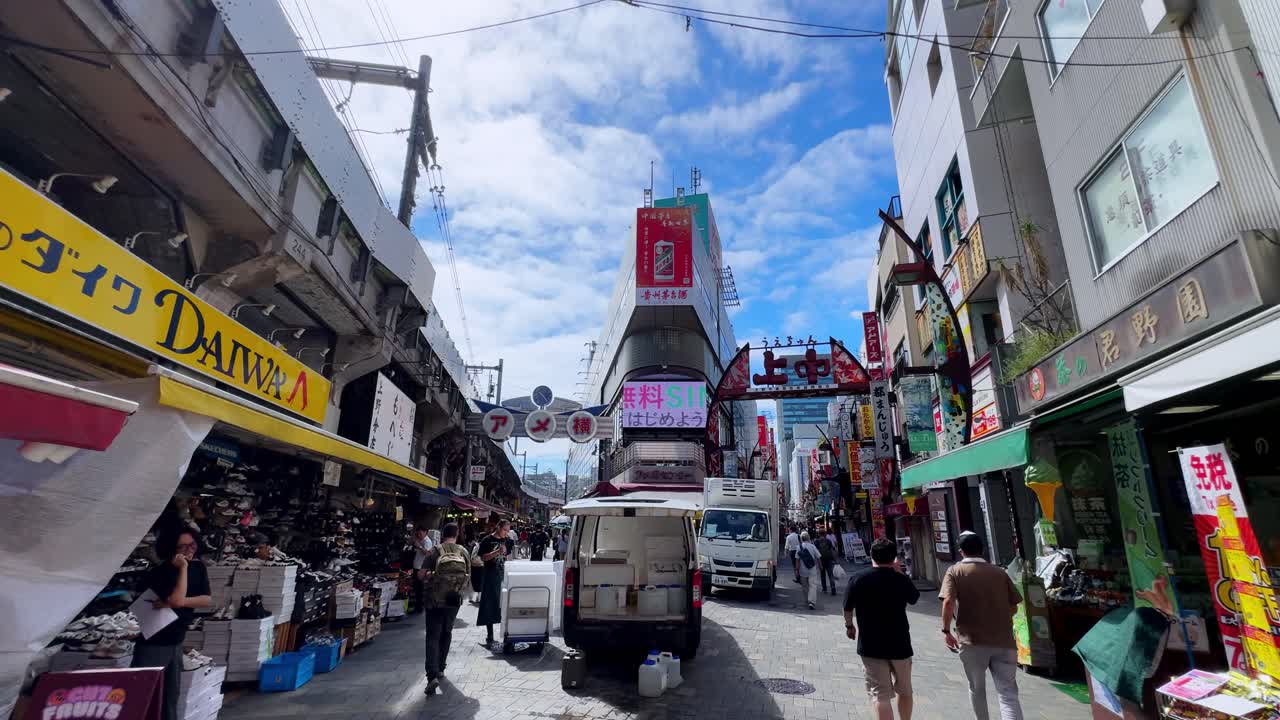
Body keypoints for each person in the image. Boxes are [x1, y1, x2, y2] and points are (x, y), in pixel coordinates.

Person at [941, 532, 1024, 720]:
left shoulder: (954, 571)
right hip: (1004, 640)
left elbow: (948, 602)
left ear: (961, 552)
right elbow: (1014, 605)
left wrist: (946, 630)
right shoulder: (999, 572)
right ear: (982, 549)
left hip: (972, 640)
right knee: (1008, 693)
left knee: (977, 689)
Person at [133, 528, 212, 720]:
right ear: (171, 548)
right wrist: (182, 569)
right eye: (182, 546)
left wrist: (181, 601)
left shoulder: (198, 567)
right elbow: (176, 599)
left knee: (170, 695)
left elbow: (206, 599)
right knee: (146, 695)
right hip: (155, 639)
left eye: (192, 545)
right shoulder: (162, 572)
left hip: (176, 639)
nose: (188, 550)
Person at [844, 538, 921, 720]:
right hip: (900, 642)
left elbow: (848, 607)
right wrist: (900, 573)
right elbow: (914, 598)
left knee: (880, 695)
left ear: (871, 555)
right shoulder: (900, 580)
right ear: (894, 557)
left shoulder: (859, 578)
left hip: (871, 644)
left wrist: (849, 626)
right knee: (905, 690)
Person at [420, 523, 472, 696]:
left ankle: (432, 676)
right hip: (453, 600)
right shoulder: (463, 552)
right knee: (447, 632)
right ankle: (441, 667)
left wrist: (429, 576)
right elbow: (467, 577)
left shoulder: (435, 551)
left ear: (442, 534)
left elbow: (421, 575)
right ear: (457, 535)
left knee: (433, 636)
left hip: (434, 600)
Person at [476, 519, 511, 648]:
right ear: (498, 527)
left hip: (503, 574)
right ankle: (490, 635)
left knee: (503, 603)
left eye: (508, 531)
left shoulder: (507, 540)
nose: (506, 533)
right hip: (490, 575)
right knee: (489, 604)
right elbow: (483, 557)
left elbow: (508, 557)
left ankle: (507, 633)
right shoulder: (487, 540)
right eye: (504, 530)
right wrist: (497, 552)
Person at [410, 526, 434, 614]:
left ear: (425, 532)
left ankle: (419, 607)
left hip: (421, 568)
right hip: (417, 566)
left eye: (420, 533)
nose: (419, 535)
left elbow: (427, 553)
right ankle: (418, 606)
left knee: (419, 588)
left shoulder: (427, 541)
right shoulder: (421, 540)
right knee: (417, 588)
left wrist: (419, 546)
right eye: (418, 533)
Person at [796, 531, 821, 609]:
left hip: (802, 570)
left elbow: (797, 560)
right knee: (813, 586)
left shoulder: (798, 547)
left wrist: (797, 570)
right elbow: (818, 557)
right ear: (808, 538)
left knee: (804, 586)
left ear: (801, 539)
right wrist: (820, 566)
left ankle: (806, 600)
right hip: (812, 569)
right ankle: (812, 602)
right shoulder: (812, 546)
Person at [815, 529, 838, 596]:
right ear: (825, 534)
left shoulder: (816, 541)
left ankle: (824, 589)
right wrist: (835, 559)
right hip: (829, 560)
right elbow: (832, 551)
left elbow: (815, 552)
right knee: (830, 575)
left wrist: (816, 562)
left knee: (822, 575)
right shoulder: (828, 541)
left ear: (819, 534)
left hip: (821, 560)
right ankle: (833, 588)